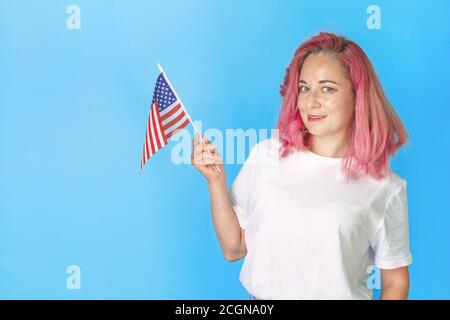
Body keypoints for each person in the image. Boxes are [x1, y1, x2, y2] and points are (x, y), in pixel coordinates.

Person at [191, 32, 412, 300]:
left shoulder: (385, 187)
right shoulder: (266, 156)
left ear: (358, 96)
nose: (311, 101)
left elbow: (395, 283)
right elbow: (234, 248)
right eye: (305, 88)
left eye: (327, 88)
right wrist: (216, 182)